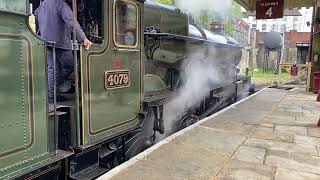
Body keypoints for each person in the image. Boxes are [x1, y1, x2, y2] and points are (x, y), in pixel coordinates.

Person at [35, 0, 92, 103]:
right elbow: (72, 21)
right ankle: (52, 90)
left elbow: (35, 15)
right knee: (70, 66)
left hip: (46, 42)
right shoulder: (61, 4)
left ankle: (51, 94)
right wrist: (83, 38)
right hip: (61, 43)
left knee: (52, 69)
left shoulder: (42, 5)